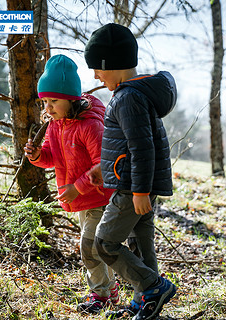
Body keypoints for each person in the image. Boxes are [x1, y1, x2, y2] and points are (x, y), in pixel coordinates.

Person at [84, 23, 177, 320]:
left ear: (109, 64)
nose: (95, 76)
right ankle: (147, 302)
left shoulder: (127, 98)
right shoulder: (137, 94)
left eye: (97, 69)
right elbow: (132, 144)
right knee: (141, 244)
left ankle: (152, 287)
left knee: (105, 242)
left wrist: (138, 190)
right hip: (139, 185)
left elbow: (142, 147)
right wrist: (105, 169)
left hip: (132, 189)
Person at [24, 54, 119, 314]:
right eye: (45, 101)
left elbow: (103, 165)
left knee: (89, 248)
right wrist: (36, 156)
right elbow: (51, 158)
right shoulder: (55, 126)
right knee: (98, 247)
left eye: (54, 101)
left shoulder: (90, 126)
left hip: (99, 197)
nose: (48, 107)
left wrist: (77, 187)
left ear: (71, 98)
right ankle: (109, 290)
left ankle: (100, 294)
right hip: (80, 199)